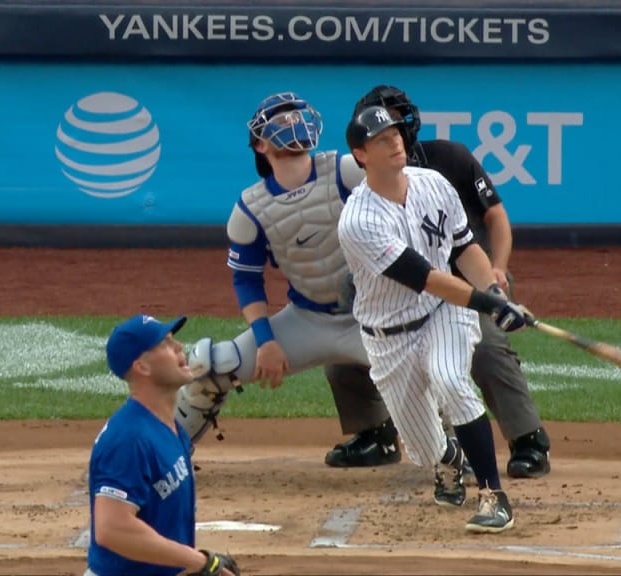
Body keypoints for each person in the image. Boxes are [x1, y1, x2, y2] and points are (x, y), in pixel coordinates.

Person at [175, 91, 403, 470]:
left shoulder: (346, 170)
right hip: (308, 319)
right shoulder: (250, 208)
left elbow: (403, 198)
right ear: (260, 144)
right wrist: (266, 343)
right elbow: (247, 281)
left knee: (431, 374)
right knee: (210, 367)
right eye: (280, 120)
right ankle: (168, 456)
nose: (292, 123)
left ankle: (458, 460)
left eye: (296, 115)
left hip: (376, 312)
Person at [338, 105, 533, 533]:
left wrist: (497, 293)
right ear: (360, 155)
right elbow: (424, 277)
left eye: (396, 135)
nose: (395, 143)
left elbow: (466, 249)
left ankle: (492, 495)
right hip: (388, 335)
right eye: (381, 140)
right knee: (424, 448)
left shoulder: (435, 185)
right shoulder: (359, 221)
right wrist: (490, 305)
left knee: (450, 379)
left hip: (444, 313)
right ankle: (448, 459)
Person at [87, 314, 240, 576]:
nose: (179, 347)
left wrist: (191, 564)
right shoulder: (128, 440)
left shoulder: (170, 428)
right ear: (142, 367)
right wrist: (199, 562)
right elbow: (111, 529)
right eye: (165, 343)